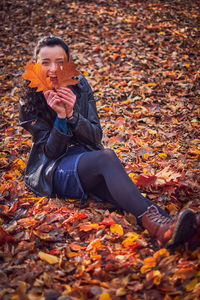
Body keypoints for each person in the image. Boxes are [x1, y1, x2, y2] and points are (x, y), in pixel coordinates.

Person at [19, 36, 198, 252]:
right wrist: (61, 118)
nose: (54, 69)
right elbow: (50, 151)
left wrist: (73, 115)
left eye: (60, 61)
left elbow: (94, 137)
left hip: (87, 160)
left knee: (128, 195)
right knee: (107, 158)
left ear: (68, 63)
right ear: (35, 64)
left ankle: (172, 232)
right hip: (53, 169)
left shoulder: (80, 86)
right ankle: (167, 230)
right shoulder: (28, 99)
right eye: (45, 62)